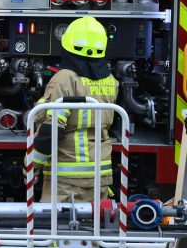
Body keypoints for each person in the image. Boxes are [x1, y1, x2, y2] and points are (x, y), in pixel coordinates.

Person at [25, 17, 119, 202]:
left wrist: (31, 166)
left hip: (66, 180)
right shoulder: (111, 81)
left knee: (55, 226)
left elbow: (51, 130)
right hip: (101, 175)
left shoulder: (65, 78)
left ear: (68, 44)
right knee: (94, 226)